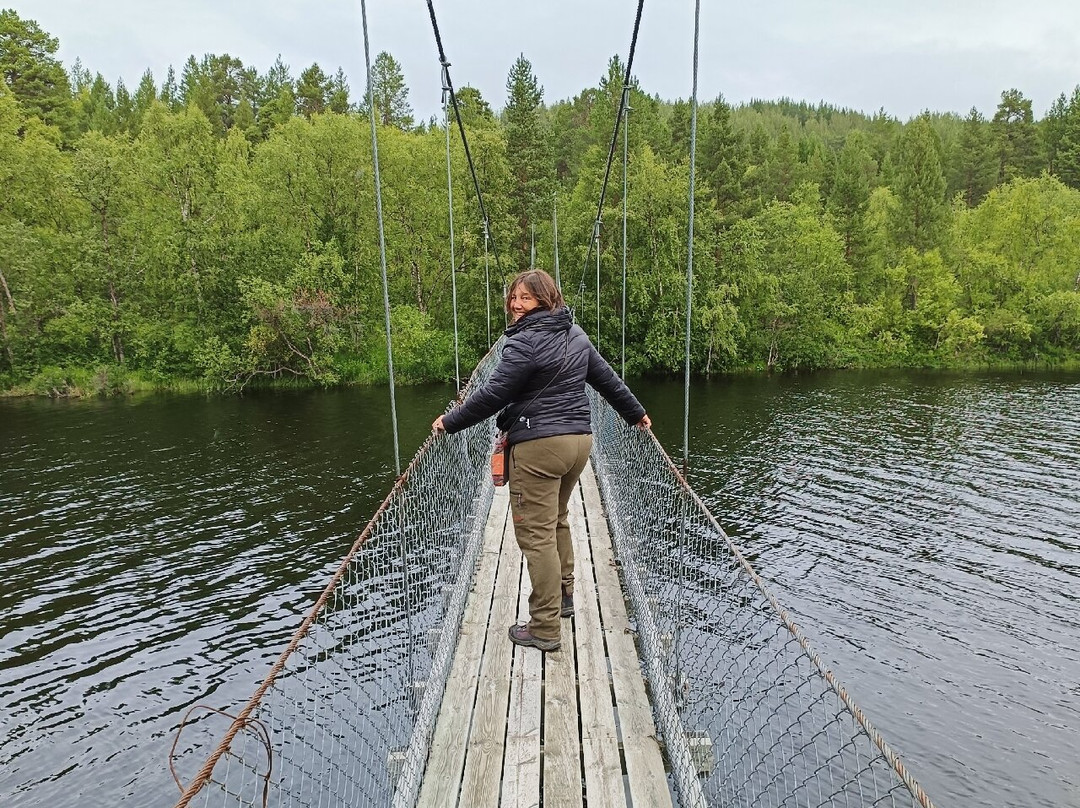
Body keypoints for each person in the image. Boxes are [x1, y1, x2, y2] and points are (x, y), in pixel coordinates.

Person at [432, 269, 651, 652]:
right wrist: (636, 413)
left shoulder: (523, 342)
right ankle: (563, 597)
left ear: (546, 300)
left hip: (540, 448)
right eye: (514, 297)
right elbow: (608, 381)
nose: (516, 304)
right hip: (579, 443)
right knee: (557, 518)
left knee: (536, 536)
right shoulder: (575, 334)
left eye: (526, 298)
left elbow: (493, 394)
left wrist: (451, 421)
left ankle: (545, 628)